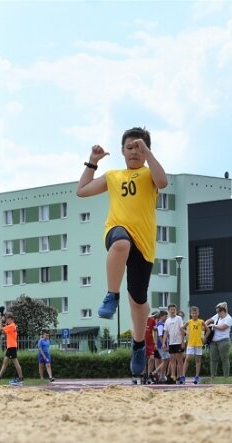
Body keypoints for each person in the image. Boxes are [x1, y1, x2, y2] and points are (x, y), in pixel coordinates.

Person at [76, 127, 169, 381]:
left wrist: (148, 151)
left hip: (145, 243)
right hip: (116, 230)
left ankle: (138, 345)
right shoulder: (113, 176)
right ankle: (111, 295)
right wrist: (92, 162)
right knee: (120, 244)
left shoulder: (150, 174)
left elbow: (163, 182)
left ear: (147, 150)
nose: (134, 152)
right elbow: (81, 190)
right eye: (130, 147)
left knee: (138, 300)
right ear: (122, 151)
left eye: (139, 147)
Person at [204, 302, 232, 378]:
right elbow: (208, 320)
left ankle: (226, 376)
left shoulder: (229, 318)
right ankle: (213, 375)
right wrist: (205, 325)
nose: (218, 313)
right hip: (213, 341)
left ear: (224, 310)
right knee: (213, 359)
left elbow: (222, 327)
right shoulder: (217, 316)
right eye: (217, 311)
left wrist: (213, 325)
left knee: (224, 358)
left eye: (220, 311)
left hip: (223, 340)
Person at [0, 313, 24, 384]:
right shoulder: (12, 325)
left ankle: (21, 377)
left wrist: (0, 320)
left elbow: (0, 329)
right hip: (11, 346)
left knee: (15, 362)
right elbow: (4, 327)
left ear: (11, 319)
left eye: (7, 319)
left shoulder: (11, 326)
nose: (6, 321)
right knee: (5, 362)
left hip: (11, 346)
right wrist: (1, 320)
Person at [181, 306, 205, 384]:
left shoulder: (201, 321)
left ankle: (197, 376)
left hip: (198, 343)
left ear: (198, 314)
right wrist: (187, 333)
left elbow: (207, 330)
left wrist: (204, 337)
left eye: (196, 313)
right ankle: (183, 376)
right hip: (191, 343)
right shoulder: (189, 321)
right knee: (187, 358)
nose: (194, 315)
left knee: (198, 360)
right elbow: (182, 328)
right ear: (191, 314)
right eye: (193, 313)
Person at [164, 303, 185, 383]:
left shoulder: (179, 318)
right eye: (171, 310)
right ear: (169, 310)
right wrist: (164, 343)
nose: (173, 311)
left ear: (176, 310)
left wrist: (182, 341)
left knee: (179, 359)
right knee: (172, 359)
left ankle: (182, 375)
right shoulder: (167, 320)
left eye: (174, 309)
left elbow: (182, 330)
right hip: (171, 343)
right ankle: (173, 376)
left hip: (178, 342)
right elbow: (166, 332)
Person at [152, 310, 170, 382]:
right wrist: (163, 344)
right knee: (165, 360)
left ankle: (161, 375)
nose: (166, 317)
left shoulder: (162, 324)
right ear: (161, 316)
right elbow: (160, 336)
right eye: (165, 316)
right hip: (161, 345)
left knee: (166, 360)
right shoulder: (160, 325)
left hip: (163, 344)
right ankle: (156, 372)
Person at [144, 312, 158, 383]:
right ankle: (143, 376)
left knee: (152, 358)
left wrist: (155, 342)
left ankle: (149, 375)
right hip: (142, 342)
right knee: (143, 359)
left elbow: (155, 331)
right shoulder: (140, 319)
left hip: (150, 343)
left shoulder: (152, 320)